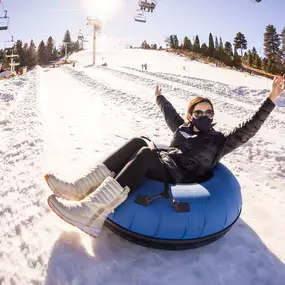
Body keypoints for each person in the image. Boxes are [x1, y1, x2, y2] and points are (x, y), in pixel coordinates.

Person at [45, 75, 284, 237]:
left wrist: (271, 98)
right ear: (190, 115)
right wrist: (159, 97)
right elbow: (169, 113)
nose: (205, 116)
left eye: (209, 112)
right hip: (167, 165)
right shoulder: (182, 128)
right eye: (199, 112)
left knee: (147, 154)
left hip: (183, 178)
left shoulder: (219, 141)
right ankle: (78, 189)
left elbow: (250, 128)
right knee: (140, 141)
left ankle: (90, 213)